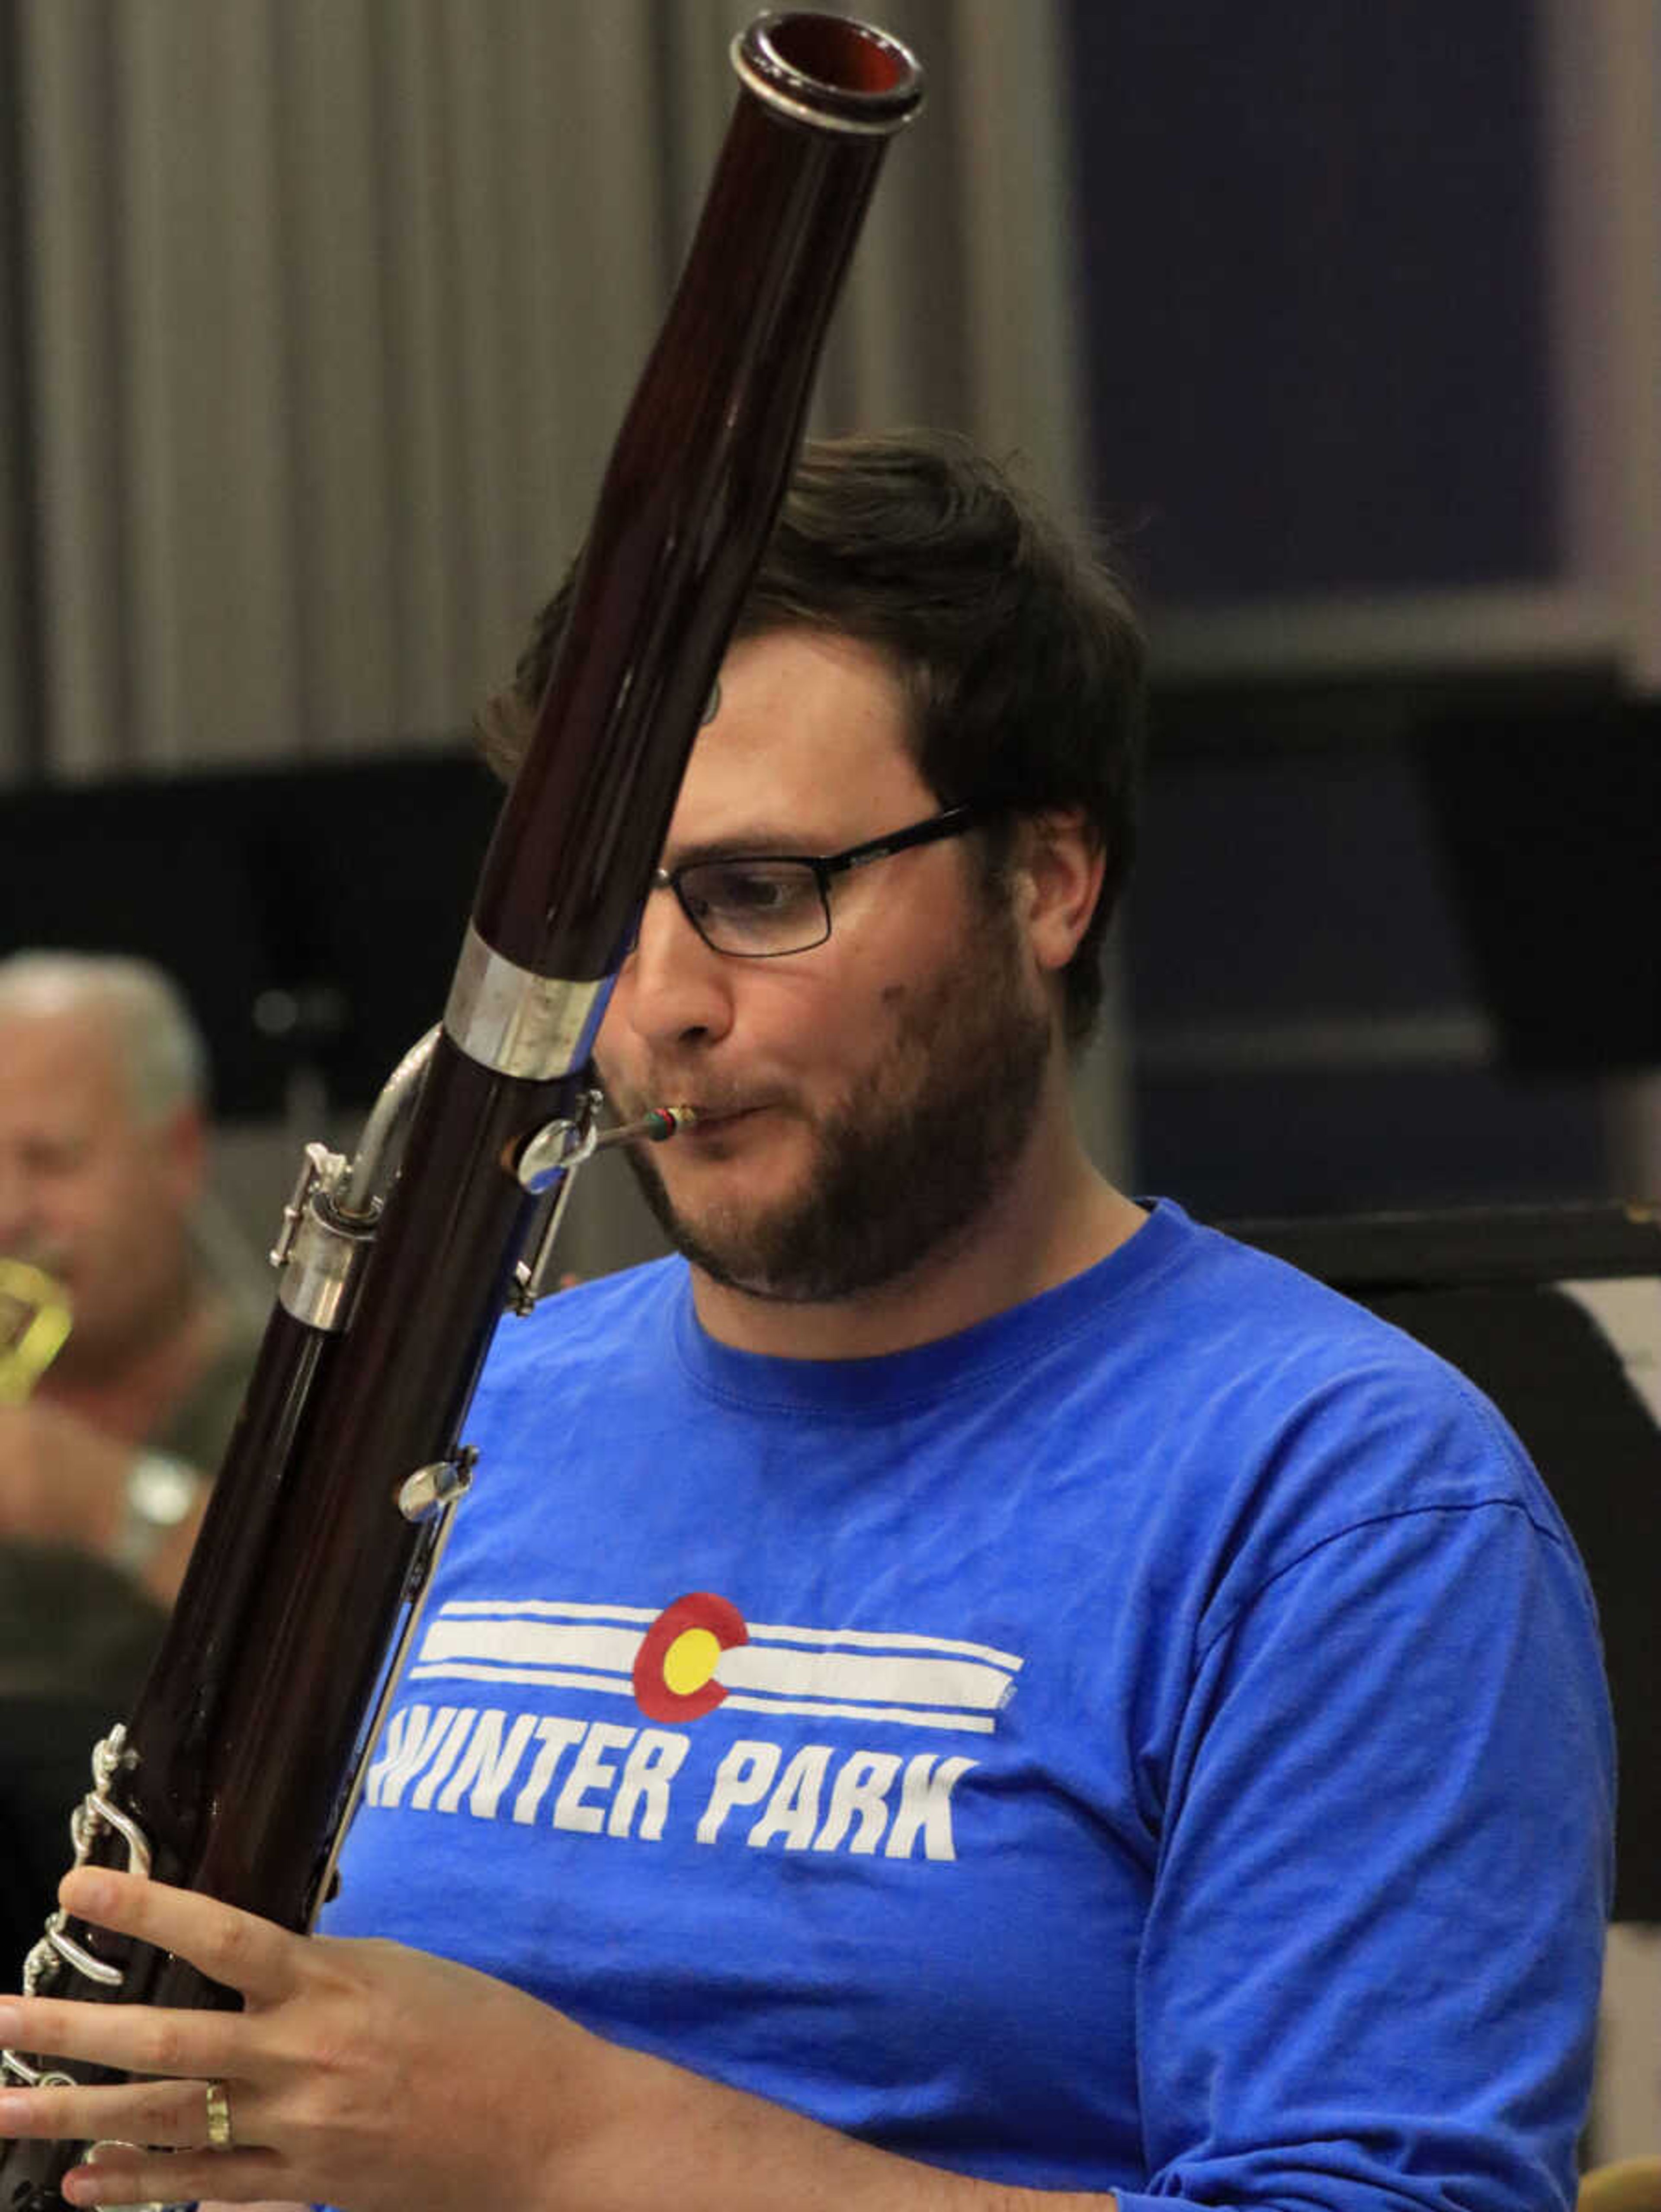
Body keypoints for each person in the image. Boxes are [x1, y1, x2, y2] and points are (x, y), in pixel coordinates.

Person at [0, 433, 1613, 2212]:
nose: (660, 1006)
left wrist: (562, 2142)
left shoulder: (1344, 1503)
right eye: (604, 906)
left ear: (1050, 882)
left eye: (765, 895)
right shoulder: (476, 1408)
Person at [0, 952, 260, 1605]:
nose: (7, 1213)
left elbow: (348, 1625)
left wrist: (107, 1501)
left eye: (51, 1159)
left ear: (178, 1153)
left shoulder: (309, 1396)